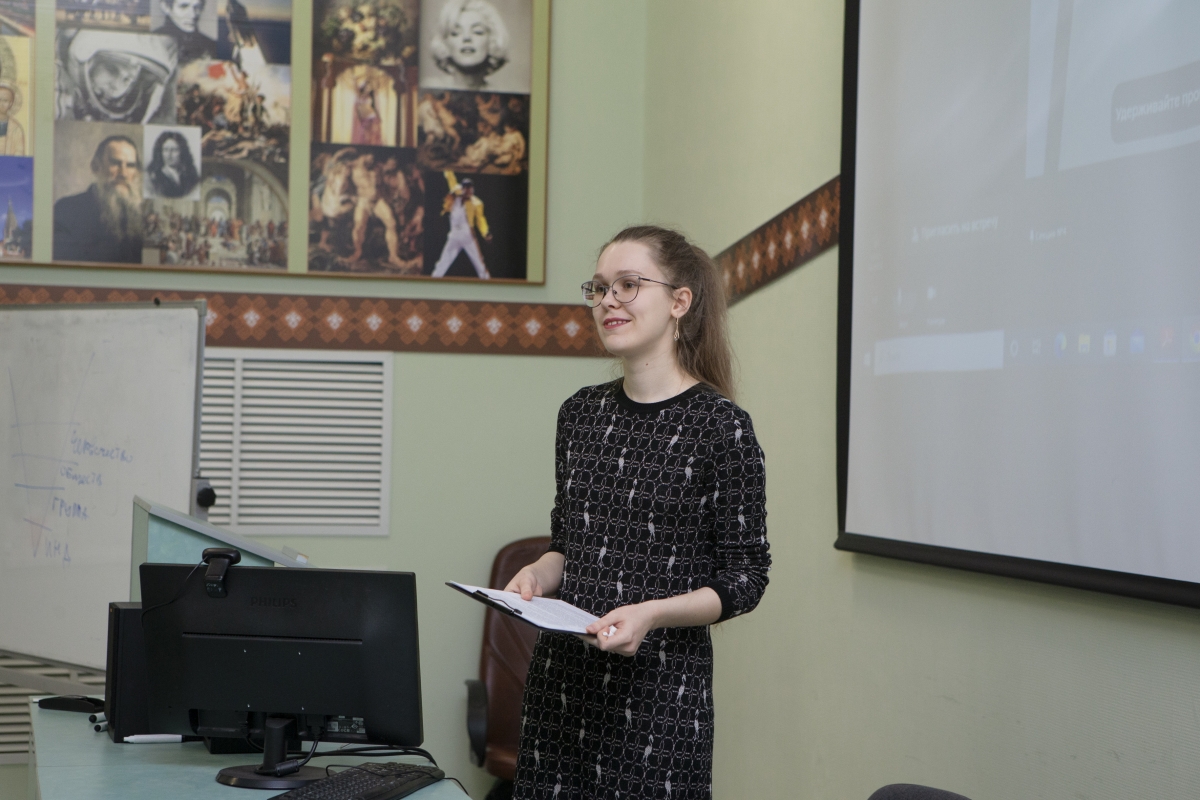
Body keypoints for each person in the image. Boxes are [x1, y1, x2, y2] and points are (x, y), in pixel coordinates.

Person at [506, 226, 770, 800]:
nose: (609, 302)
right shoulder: (579, 414)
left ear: (680, 302)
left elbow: (746, 579)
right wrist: (536, 577)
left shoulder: (722, 427)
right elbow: (567, 543)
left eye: (628, 285)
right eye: (599, 288)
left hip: (660, 702)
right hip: (561, 692)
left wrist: (651, 614)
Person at [53, 136, 144, 264]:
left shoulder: (141, 215)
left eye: (130, 165)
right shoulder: (66, 210)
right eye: (115, 163)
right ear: (95, 166)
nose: (123, 173)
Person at [428, 0, 509, 90]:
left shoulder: (502, 95)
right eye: (456, 33)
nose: (467, 38)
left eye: (477, 32)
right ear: (444, 44)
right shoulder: (430, 91)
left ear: (492, 41)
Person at [430, 171, 490, 278]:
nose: (468, 190)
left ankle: (487, 282)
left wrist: (485, 233)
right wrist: (447, 168)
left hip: (468, 236)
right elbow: (450, 178)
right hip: (454, 235)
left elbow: (480, 219)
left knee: (479, 262)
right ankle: (433, 281)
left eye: (470, 188)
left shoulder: (476, 203)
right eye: (466, 188)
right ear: (463, 188)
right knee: (443, 261)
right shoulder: (455, 194)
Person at [146, 130, 199, 198]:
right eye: (166, 150)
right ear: (160, 152)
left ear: (182, 152)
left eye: (174, 150)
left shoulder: (188, 175)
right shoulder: (155, 177)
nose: (169, 154)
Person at [0, 83, 25, 156]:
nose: (1, 104)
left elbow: (19, 153)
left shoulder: (16, 129)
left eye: (5, 101)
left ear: (11, 103)